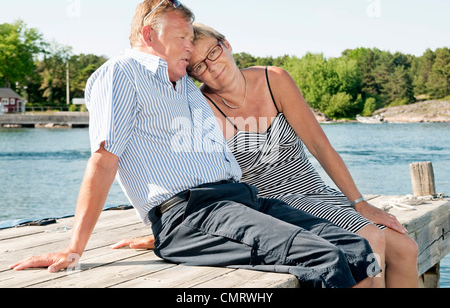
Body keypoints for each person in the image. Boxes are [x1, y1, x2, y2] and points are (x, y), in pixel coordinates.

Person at [9, 0, 380, 288]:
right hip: (192, 213)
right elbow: (105, 161)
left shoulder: (186, 84)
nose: (191, 46)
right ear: (149, 36)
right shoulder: (120, 74)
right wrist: (75, 249)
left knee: (354, 249)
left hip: (239, 201)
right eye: (182, 37)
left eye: (192, 36)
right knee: (323, 258)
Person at [112, 23, 419, 288]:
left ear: (227, 45)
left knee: (405, 248)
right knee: (371, 241)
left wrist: (360, 203)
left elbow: (320, 146)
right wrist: (175, 226)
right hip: (271, 205)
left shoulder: (275, 79)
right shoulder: (204, 109)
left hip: (314, 189)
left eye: (213, 53)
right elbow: (193, 176)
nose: (212, 67)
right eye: (199, 67)